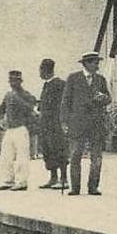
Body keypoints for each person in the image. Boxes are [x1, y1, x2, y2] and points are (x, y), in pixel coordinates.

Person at [61, 51, 112, 196]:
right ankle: (75, 188)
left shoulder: (101, 79)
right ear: (87, 63)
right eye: (95, 63)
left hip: (96, 124)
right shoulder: (73, 78)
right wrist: (64, 122)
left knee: (96, 157)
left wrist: (103, 97)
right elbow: (66, 101)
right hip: (77, 123)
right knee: (75, 155)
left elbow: (108, 99)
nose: (97, 65)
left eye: (98, 63)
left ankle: (93, 187)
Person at [0, 71, 37, 191]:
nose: (13, 83)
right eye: (11, 81)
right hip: (10, 129)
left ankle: (21, 181)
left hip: (21, 128)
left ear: (20, 82)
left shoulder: (26, 95)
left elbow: (31, 108)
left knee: (22, 157)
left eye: (15, 81)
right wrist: (0, 117)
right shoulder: (8, 95)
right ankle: (8, 180)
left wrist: (17, 98)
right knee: (6, 156)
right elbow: (1, 107)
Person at [37, 59, 68, 189]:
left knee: (59, 150)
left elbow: (64, 104)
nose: (39, 73)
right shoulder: (46, 85)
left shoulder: (60, 84)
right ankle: (53, 178)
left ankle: (64, 179)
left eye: (41, 70)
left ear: (46, 70)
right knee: (48, 151)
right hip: (46, 124)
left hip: (56, 124)